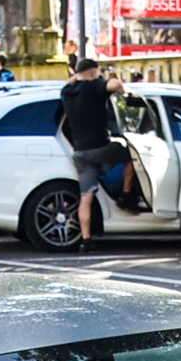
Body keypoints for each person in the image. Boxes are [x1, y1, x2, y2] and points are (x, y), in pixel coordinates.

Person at [55, 56, 125, 253]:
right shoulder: (95, 87)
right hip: (101, 147)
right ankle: (127, 195)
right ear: (94, 72)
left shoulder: (67, 93)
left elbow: (67, 84)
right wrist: (122, 89)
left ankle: (86, 240)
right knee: (130, 156)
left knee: (86, 197)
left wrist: (76, 77)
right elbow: (115, 84)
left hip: (80, 152)